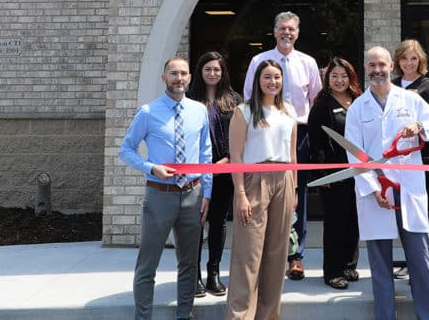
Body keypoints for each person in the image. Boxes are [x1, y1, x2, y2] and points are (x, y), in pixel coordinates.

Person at [344, 46, 429, 320]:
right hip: (376, 192)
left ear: (391, 66)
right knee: (380, 264)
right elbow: (354, 154)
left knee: (420, 258)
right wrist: (374, 188)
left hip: (408, 188)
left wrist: (420, 127)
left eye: (381, 64)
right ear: (365, 68)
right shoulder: (357, 108)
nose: (377, 70)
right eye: (371, 65)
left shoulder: (410, 100)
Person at [119, 56, 213, 320]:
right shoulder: (148, 112)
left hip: (192, 195)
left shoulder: (199, 111)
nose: (179, 78)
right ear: (164, 78)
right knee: (148, 264)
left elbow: (206, 154)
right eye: (173, 73)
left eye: (183, 73)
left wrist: (207, 192)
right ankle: (143, 316)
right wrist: (151, 167)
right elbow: (125, 151)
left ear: (190, 78)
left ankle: (185, 314)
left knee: (188, 263)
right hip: (159, 195)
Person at [242, 11, 322, 280]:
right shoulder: (259, 61)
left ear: (297, 33)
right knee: (263, 193)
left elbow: (316, 99)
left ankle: (296, 256)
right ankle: (266, 253)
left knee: (296, 196)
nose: (286, 33)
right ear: (274, 31)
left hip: (299, 133)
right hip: (266, 132)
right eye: (282, 29)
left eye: (291, 29)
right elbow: (248, 98)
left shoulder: (308, 62)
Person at [226, 59, 297, 320]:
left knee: (277, 253)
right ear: (257, 80)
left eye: (277, 77)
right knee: (248, 254)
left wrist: (295, 190)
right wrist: (241, 194)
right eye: (267, 77)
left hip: (284, 179)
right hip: (254, 180)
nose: (273, 82)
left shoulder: (289, 111)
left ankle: (267, 315)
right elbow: (235, 156)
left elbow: (292, 154)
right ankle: (241, 315)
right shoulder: (243, 112)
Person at [306, 56, 364, 289]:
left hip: (359, 172)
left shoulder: (359, 101)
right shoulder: (322, 105)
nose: (339, 80)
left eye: (343, 75)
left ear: (351, 78)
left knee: (354, 220)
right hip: (335, 174)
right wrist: (323, 174)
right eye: (334, 75)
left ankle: (349, 265)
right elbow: (316, 143)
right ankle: (332, 271)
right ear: (327, 78)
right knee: (335, 223)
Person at [189, 51, 242, 296]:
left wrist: (228, 159)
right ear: (200, 72)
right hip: (197, 174)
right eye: (208, 69)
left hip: (224, 170)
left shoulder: (233, 99)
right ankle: (194, 275)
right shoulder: (189, 99)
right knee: (197, 223)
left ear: (223, 73)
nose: (212, 73)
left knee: (218, 222)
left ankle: (213, 273)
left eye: (217, 69)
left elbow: (242, 135)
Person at [391, 38, 429, 275]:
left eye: (413, 58)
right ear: (397, 61)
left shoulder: (428, 85)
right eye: (404, 58)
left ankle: (424, 261)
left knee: (421, 210)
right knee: (400, 212)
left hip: (420, 154)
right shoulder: (391, 84)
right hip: (395, 157)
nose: (409, 63)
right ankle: (408, 260)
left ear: (420, 60)